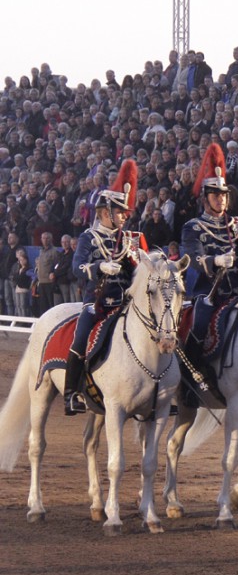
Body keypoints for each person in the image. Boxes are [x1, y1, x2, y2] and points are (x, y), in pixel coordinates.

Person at [180, 144, 238, 407]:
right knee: (199, 321)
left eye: (224, 195)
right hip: (211, 294)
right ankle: (191, 380)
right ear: (205, 198)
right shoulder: (193, 226)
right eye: (216, 195)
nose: (221, 199)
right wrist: (214, 260)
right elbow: (192, 258)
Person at [64, 160, 149, 415]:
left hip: (126, 304)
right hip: (98, 303)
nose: (125, 216)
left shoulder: (131, 241)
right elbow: (76, 267)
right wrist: (99, 267)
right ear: (105, 213)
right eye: (120, 212)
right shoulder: (89, 238)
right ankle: (71, 393)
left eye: (125, 213)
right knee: (81, 339)